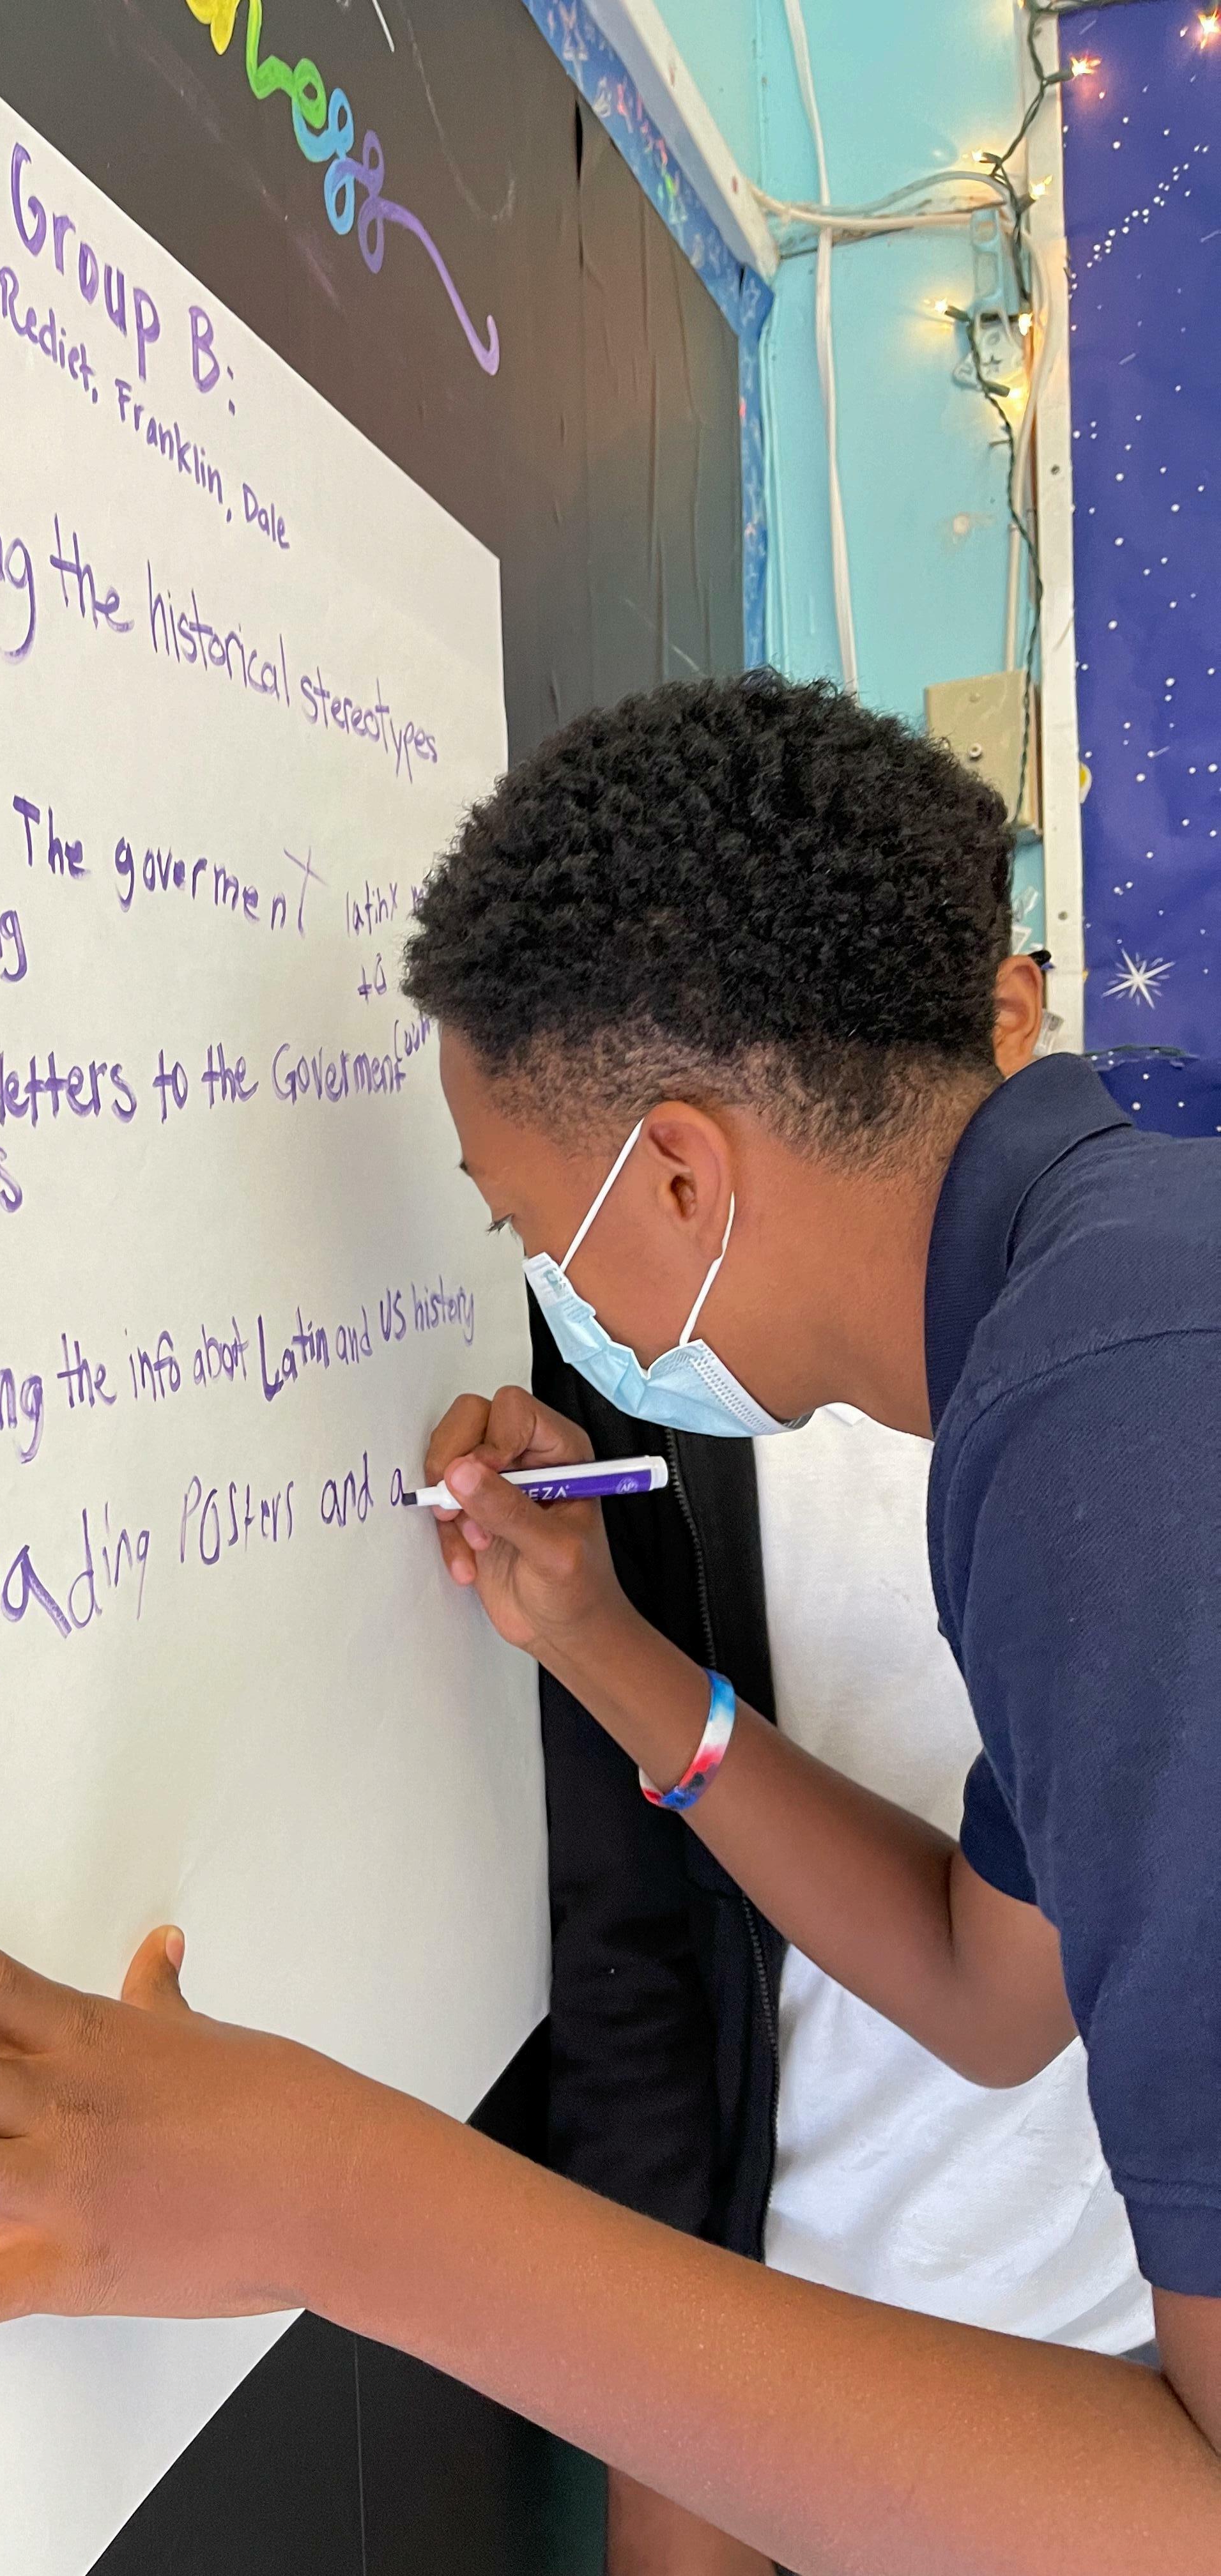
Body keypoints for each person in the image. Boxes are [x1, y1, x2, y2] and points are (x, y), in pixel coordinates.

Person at [0, 676, 1221, 2575]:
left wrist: (335, 2198)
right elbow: (990, 1991)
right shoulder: (1107, 1317)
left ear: (684, 1175)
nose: (547, 1292)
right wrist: (602, 1645)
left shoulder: (1108, 1431)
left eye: (528, 1229)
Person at [546, 956, 1151, 2576]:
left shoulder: (1118, 1419)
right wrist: (673, 2407)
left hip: (1118, 2354)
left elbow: (995, 1994)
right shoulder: (673, 1394)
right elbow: (963, 1986)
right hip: (801, 2354)